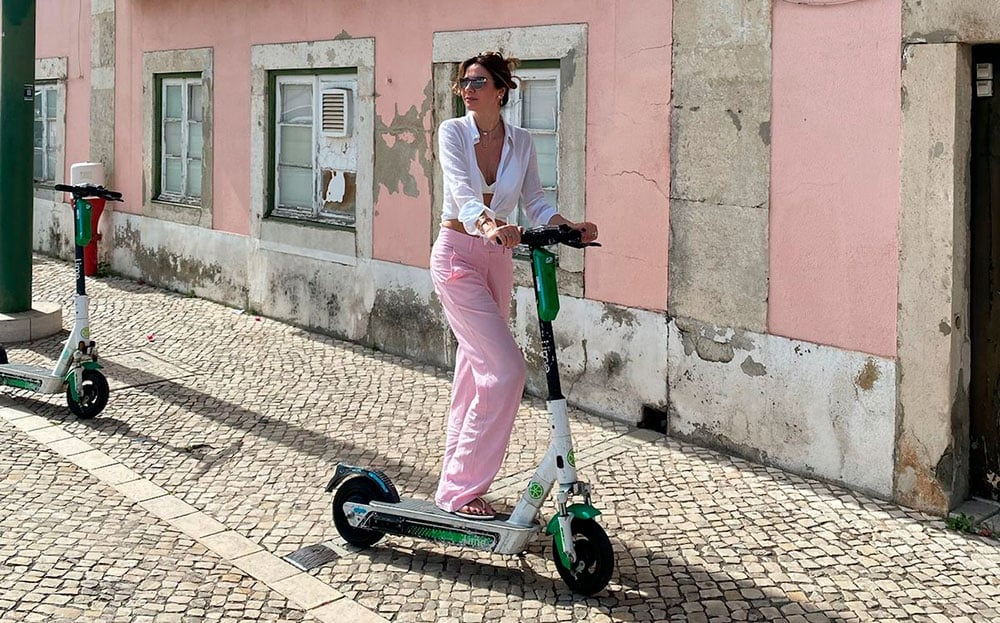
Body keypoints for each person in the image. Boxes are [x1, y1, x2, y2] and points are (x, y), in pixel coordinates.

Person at [431, 50, 599, 519]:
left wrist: (568, 226)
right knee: (505, 371)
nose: (468, 89)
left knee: (473, 372)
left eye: (479, 82)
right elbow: (462, 192)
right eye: (465, 82)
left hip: (497, 261)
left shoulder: (521, 142)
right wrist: (487, 224)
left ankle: (453, 484)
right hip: (457, 254)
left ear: (501, 90)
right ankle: (462, 493)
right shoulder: (453, 132)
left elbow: (536, 203)